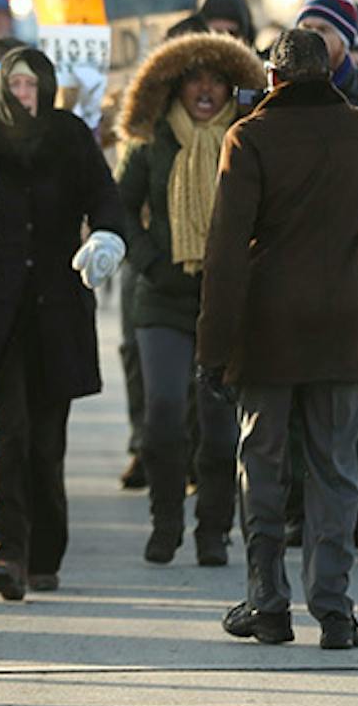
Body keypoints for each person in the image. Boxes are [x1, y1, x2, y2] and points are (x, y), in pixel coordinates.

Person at [200, 28, 358, 651]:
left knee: (264, 466)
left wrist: (213, 346)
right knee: (337, 469)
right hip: (343, 324)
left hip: (268, 329)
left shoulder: (249, 137)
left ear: (273, 77)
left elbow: (226, 252)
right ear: (328, 75)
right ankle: (335, 611)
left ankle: (268, 603)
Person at [0, 46, 123, 599]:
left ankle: (45, 555)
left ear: (47, 88)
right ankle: (6, 555)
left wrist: (105, 239)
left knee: (46, 443)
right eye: (15, 84)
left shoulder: (70, 138)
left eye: (33, 85)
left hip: (56, 314)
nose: (24, 94)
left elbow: (106, 200)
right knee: (5, 435)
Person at [114, 29, 265, 567]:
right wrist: (148, 258)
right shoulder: (154, 138)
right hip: (162, 295)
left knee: (219, 423)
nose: (205, 90)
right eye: (194, 80)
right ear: (177, 88)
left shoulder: (249, 138)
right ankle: (165, 521)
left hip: (224, 299)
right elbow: (121, 207)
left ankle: (213, 530)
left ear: (231, 88)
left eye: (216, 81)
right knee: (162, 412)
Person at [294, 0, 358, 110]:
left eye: (323, 30)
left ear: (343, 43)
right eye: (306, 27)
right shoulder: (283, 88)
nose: (312, 36)